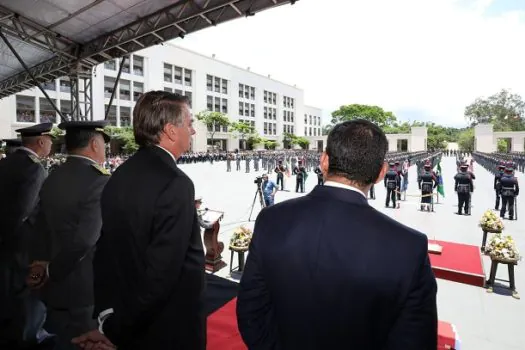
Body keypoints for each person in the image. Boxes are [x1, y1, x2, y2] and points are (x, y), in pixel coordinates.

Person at [237, 119, 437, 349]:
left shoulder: (271, 219)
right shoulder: (408, 247)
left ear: (324, 161)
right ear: (381, 173)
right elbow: (415, 340)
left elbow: (252, 312)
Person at [73, 91, 204, 350]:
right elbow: (162, 275)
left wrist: (107, 319)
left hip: (126, 315)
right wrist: (116, 330)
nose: (194, 131)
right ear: (170, 130)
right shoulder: (176, 182)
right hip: (165, 329)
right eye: (189, 123)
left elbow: (106, 254)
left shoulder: (120, 174)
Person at [26, 121, 111, 350]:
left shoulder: (52, 175)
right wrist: (52, 270)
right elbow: (85, 240)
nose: (105, 150)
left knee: (62, 337)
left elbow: (39, 224)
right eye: (103, 144)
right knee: (85, 340)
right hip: (84, 287)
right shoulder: (99, 181)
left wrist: (41, 263)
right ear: (94, 144)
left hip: (53, 287)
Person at [0, 123, 54, 348]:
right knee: (28, 290)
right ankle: (30, 335)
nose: (52, 144)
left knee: (6, 288)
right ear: (41, 142)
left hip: (3, 239)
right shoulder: (34, 169)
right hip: (22, 241)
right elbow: (24, 210)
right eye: (50, 139)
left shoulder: (5, 162)